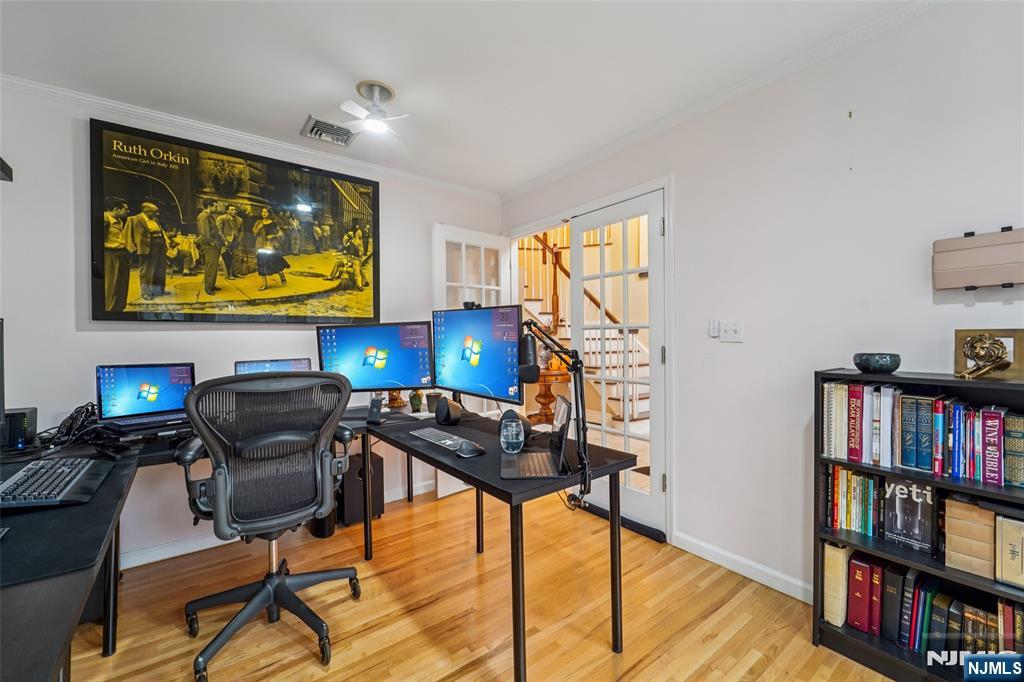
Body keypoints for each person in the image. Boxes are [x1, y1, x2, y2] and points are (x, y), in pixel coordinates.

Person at [125, 202, 168, 300]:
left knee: (160, 268)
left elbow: (161, 232)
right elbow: (127, 235)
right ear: (147, 211)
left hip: (160, 246)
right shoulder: (134, 219)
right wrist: (132, 249)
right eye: (155, 212)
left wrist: (165, 245)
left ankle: (158, 291)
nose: (157, 214)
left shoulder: (155, 220)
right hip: (147, 247)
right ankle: (146, 293)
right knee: (147, 271)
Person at [102, 196, 131, 311]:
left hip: (121, 254)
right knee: (112, 285)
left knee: (122, 284)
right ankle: (110, 310)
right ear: (116, 209)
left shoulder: (119, 221)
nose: (128, 211)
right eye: (125, 209)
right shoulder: (105, 220)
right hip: (111, 255)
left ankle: (119, 309)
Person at [252, 207, 289, 291]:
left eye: (266, 212)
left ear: (269, 214)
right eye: (263, 212)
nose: (264, 213)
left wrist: (272, 236)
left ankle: (281, 273)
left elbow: (281, 234)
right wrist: (259, 227)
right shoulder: (258, 222)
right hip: (260, 246)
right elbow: (254, 233)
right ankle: (264, 284)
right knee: (261, 265)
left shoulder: (274, 223)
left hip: (270, 246)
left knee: (273, 263)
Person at [196, 199, 224, 295]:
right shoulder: (204, 216)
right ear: (209, 206)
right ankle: (208, 287)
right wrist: (213, 243)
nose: (217, 208)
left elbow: (213, 230)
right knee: (211, 265)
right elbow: (205, 233)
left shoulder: (209, 216)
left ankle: (211, 285)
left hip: (213, 244)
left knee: (214, 265)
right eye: (215, 206)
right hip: (209, 244)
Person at [216, 203, 243, 279]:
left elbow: (241, 231)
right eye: (231, 210)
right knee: (226, 257)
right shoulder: (222, 218)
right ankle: (228, 275)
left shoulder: (239, 220)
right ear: (227, 211)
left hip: (235, 241)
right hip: (225, 241)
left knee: (237, 256)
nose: (234, 211)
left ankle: (235, 272)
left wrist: (238, 239)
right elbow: (219, 231)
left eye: (234, 209)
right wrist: (224, 240)